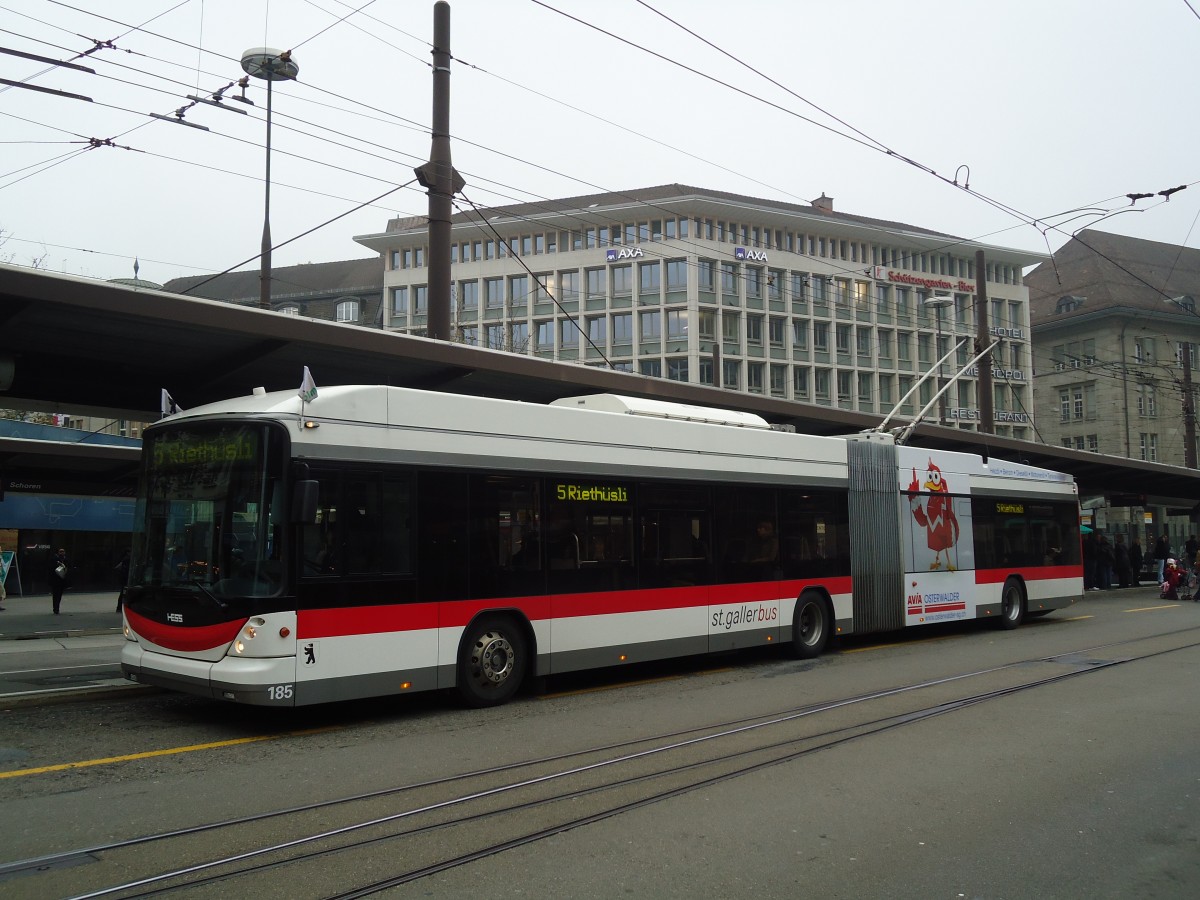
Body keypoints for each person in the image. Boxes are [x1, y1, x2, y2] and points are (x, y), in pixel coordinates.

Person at [48, 547, 70, 615]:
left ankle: (57, 608)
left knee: (59, 595)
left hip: (62, 580)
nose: (62, 553)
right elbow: (50, 568)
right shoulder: (54, 559)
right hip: (55, 580)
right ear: (58, 552)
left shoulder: (65, 559)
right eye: (60, 551)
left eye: (63, 551)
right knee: (55, 595)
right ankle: (55, 608)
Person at [114, 548, 131, 613]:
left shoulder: (124, 559)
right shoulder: (127, 560)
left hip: (123, 579)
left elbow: (117, 567)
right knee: (124, 593)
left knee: (122, 593)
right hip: (125, 579)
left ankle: (119, 608)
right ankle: (121, 607)